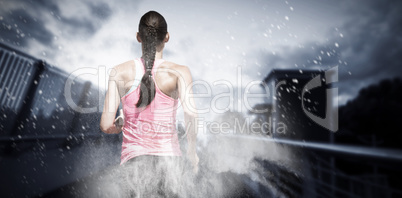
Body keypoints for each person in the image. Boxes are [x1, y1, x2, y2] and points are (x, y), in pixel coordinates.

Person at [100, 10, 199, 197]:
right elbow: (191, 113)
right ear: (167, 37)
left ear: (139, 37)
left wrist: (121, 121)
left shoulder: (119, 72)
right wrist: (192, 152)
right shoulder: (180, 72)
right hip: (170, 164)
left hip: (133, 165)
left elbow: (106, 125)